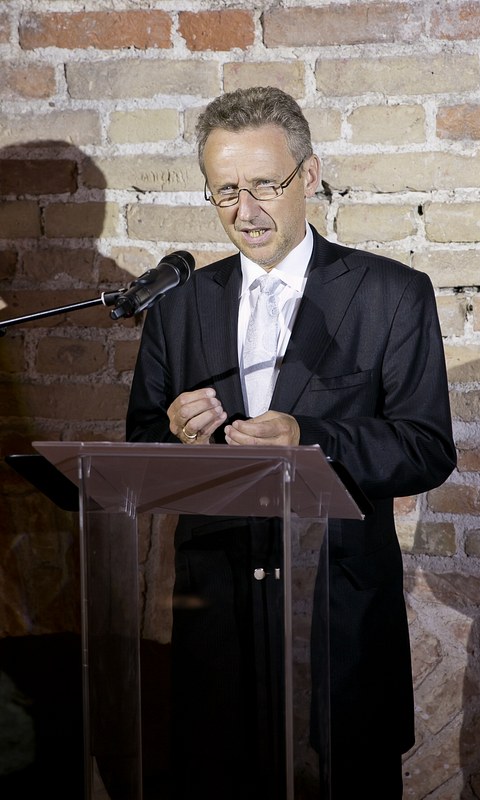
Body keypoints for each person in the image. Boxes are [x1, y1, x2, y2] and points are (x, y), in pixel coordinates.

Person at [126, 86, 457, 799]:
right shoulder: (177, 304)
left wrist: (310, 437)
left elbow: (426, 446)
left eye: (265, 186)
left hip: (339, 619)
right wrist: (179, 438)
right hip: (216, 621)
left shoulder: (392, 293)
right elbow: (142, 443)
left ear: (308, 175)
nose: (245, 212)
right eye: (225, 191)